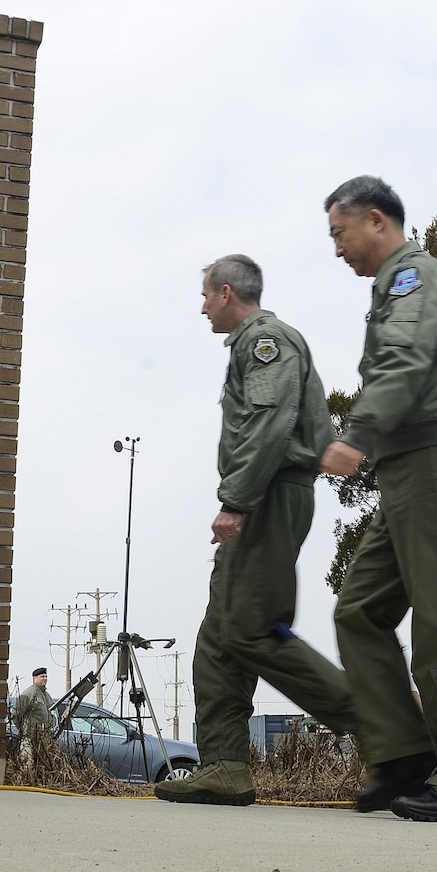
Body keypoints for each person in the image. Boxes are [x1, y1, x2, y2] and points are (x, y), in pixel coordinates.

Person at [321, 176, 437, 825]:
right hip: (407, 471)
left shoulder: (413, 276)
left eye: (340, 233)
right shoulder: (390, 284)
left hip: (434, 460)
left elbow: (406, 357)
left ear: (376, 220)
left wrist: (358, 434)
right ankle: (404, 757)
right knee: (359, 608)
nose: (337, 248)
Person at [158, 254, 362, 807]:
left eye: (205, 296)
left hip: (269, 494)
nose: (201, 308)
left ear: (226, 293)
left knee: (252, 630)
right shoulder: (252, 344)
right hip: (262, 494)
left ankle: (382, 727)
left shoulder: (266, 340)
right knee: (220, 638)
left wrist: (236, 501)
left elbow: (270, 424)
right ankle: (225, 766)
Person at [14, 669, 56, 739]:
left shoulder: (47, 696)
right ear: (34, 678)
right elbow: (16, 714)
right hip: (30, 737)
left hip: (44, 738)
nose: (45, 679)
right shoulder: (28, 694)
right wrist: (23, 730)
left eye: (46, 676)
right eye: (42, 676)